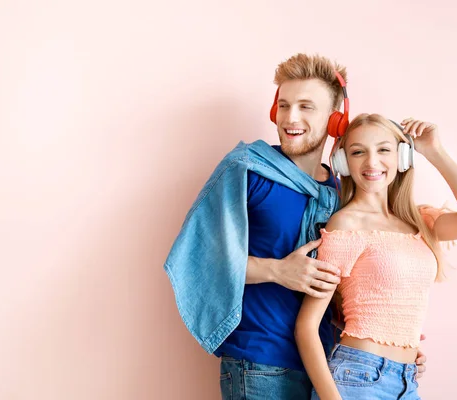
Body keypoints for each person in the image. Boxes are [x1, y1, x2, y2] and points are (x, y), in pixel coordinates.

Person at [164, 55, 427, 400]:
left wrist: (389, 349)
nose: (290, 118)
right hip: (260, 364)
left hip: (332, 369)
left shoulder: (341, 192)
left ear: (335, 121)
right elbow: (195, 261)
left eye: (306, 107)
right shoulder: (247, 171)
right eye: (284, 105)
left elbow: (352, 284)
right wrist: (277, 270)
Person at [295, 114, 457, 399]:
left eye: (384, 149)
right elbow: (307, 326)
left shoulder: (421, 222)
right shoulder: (345, 225)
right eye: (358, 152)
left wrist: (434, 151)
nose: (372, 162)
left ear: (403, 157)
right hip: (357, 379)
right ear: (344, 163)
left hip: (407, 381)